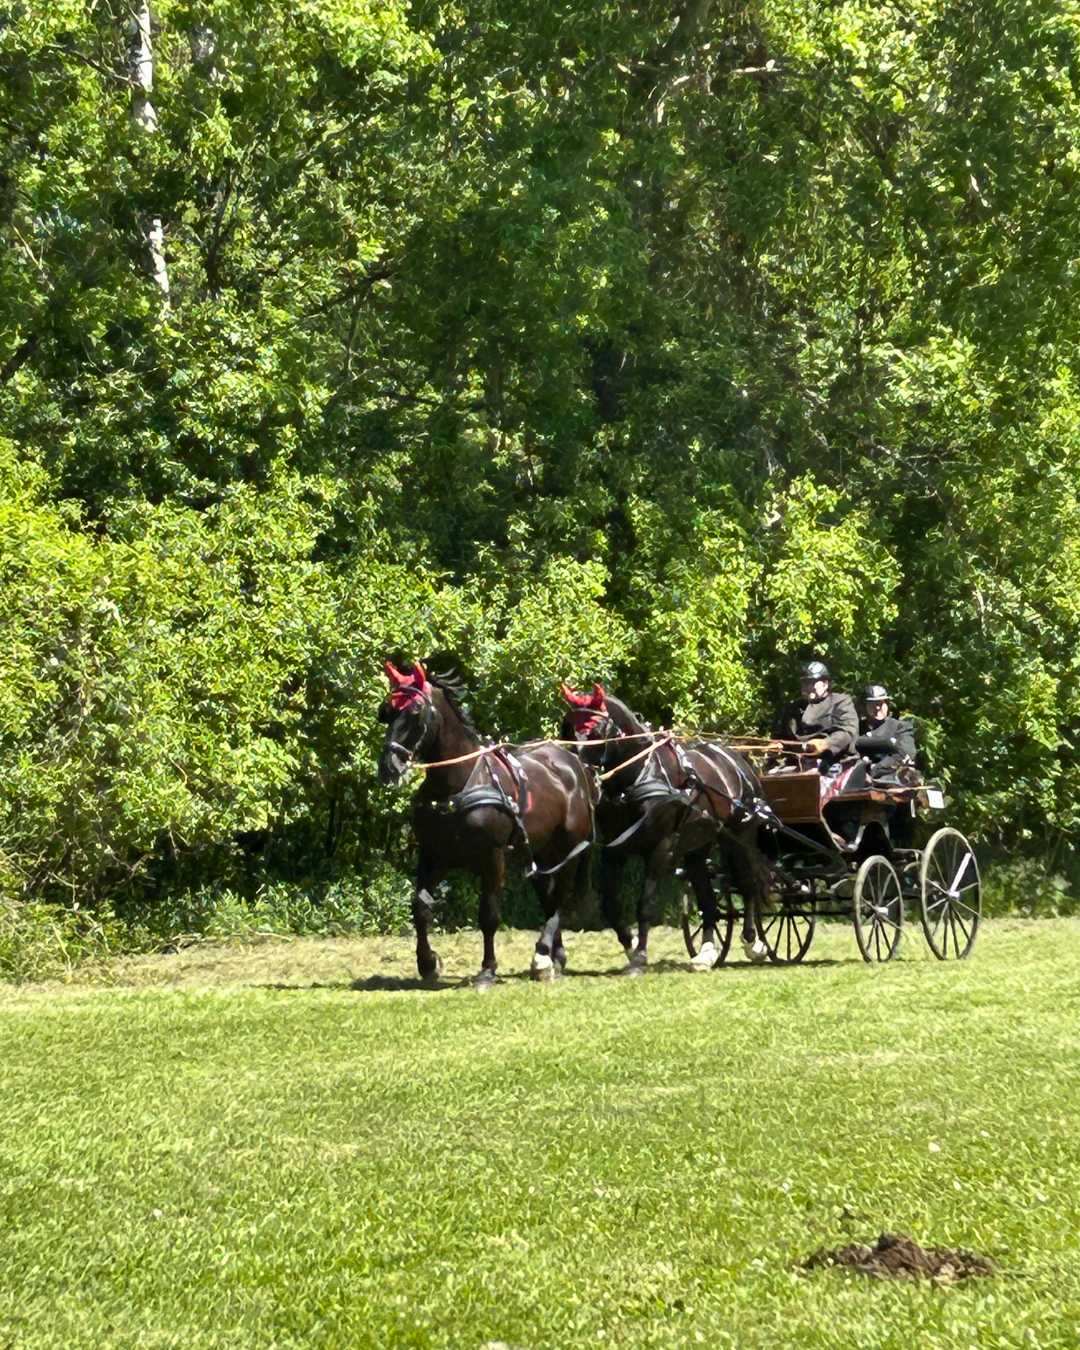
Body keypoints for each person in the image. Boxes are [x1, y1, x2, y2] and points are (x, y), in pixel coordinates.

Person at [771, 660, 858, 766]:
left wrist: (826, 743)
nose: (808, 687)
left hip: (835, 761)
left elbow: (847, 731)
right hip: (798, 763)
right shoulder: (793, 708)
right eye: (805, 683)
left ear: (825, 684)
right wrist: (775, 746)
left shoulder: (841, 702)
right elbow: (781, 737)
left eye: (812, 683)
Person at [855, 684, 917, 783]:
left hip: (892, 782)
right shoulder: (856, 728)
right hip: (858, 782)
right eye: (873, 704)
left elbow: (904, 753)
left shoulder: (900, 727)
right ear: (865, 706)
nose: (878, 707)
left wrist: (874, 770)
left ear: (887, 704)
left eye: (881, 703)